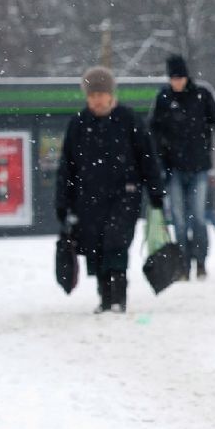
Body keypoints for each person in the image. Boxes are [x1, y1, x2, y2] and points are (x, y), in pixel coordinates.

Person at [55, 66, 165, 313]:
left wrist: (156, 192)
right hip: (88, 199)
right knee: (95, 247)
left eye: (100, 94)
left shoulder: (129, 120)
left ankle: (119, 295)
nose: (96, 100)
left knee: (116, 242)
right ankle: (105, 297)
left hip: (124, 195)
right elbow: (67, 167)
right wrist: (63, 202)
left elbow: (148, 158)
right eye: (92, 95)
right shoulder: (79, 124)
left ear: (110, 94)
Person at [149, 54, 215, 280]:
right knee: (178, 218)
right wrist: (158, 162)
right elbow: (154, 131)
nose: (177, 82)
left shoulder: (202, 95)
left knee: (197, 216)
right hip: (173, 167)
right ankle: (183, 263)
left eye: (180, 78)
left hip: (198, 166)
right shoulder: (163, 98)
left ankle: (200, 260)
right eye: (173, 78)